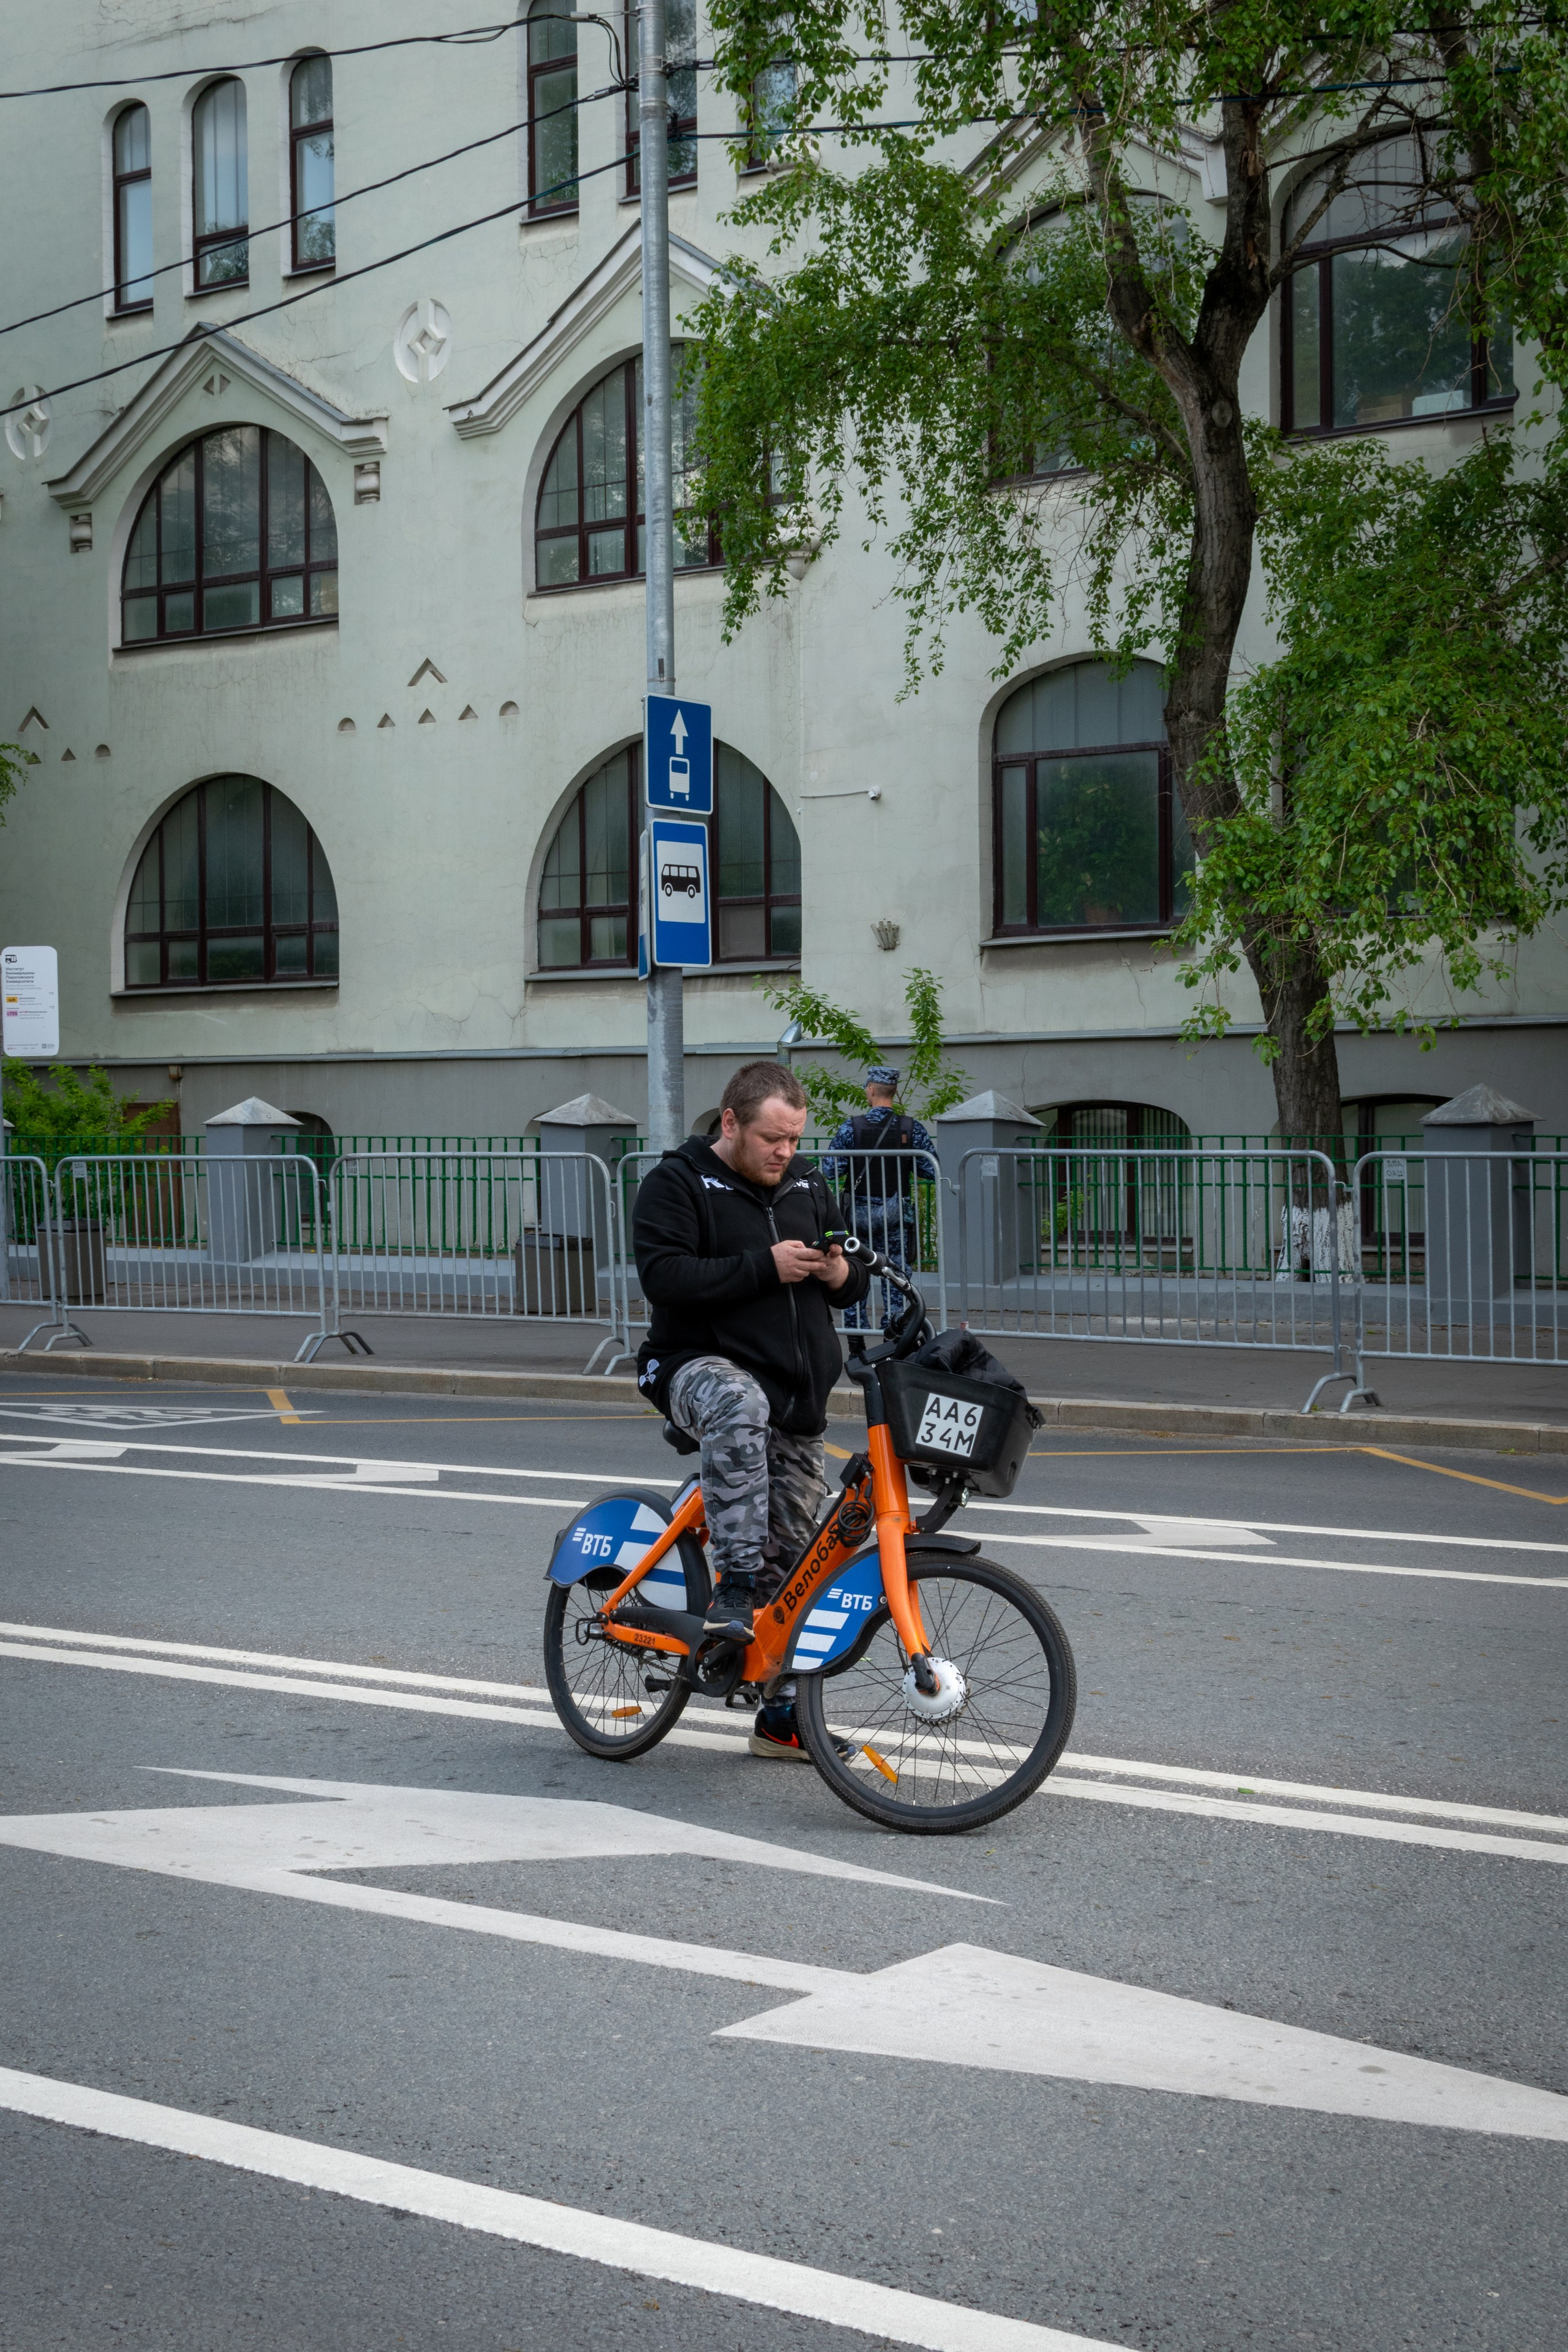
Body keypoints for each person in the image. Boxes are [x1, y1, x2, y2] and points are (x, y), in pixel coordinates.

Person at [632, 1061, 872, 1760]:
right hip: (692, 1366)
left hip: (795, 1395)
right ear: (730, 1123)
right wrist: (763, 1266)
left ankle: (779, 1716)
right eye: (772, 1138)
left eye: (795, 1139)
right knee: (737, 1406)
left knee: (797, 1562)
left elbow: (849, 1275)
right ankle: (731, 1588)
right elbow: (664, 1276)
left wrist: (838, 1274)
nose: (785, 1153)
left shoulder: (806, 1184)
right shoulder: (676, 1182)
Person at [821, 1066, 938, 1330]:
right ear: (894, 1093)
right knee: (895, 1275)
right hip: (895, 1217)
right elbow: (931, 1169)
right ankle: (895, 1334)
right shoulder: (911, 1128)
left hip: (857, 1217)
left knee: (854, 1271)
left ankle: (856, 1336)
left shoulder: (853, 1127)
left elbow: (830, 1169)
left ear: (871, 1090)